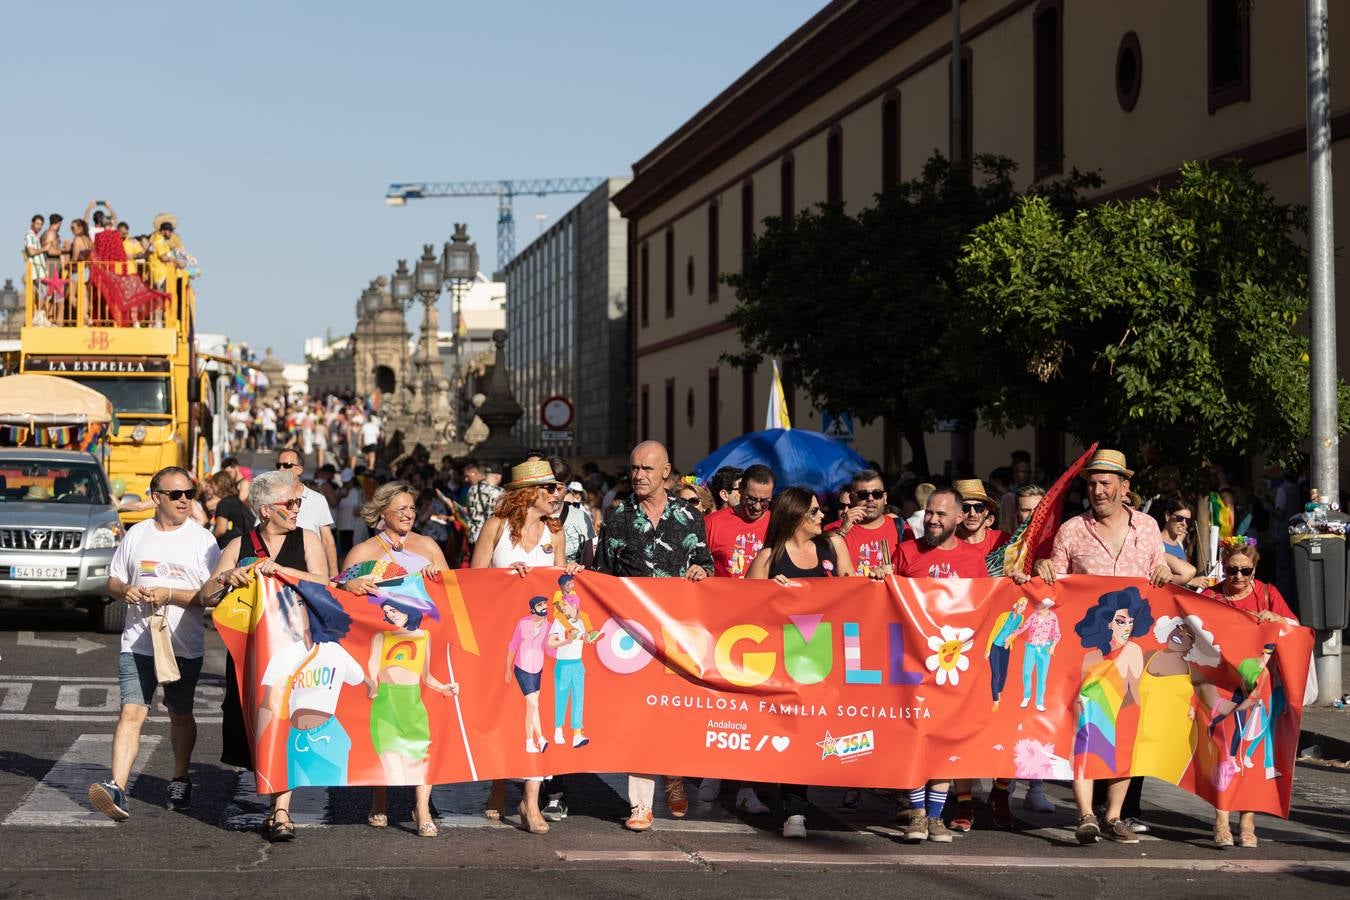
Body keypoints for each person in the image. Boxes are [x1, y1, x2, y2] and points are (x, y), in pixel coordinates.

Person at [1034, 449, 1171, 839]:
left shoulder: (1147, 527)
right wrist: (1045, 570)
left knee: (1127, 726)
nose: (1097, 490)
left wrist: (1162, 572)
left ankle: (1113, 816)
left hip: (1134, 646)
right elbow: (1054, 585)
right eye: (1092, 483)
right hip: (1086, 648)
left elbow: (1157, 574)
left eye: (1105, 483)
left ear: (1124, 488)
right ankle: (1084, 815)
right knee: (1084, 727)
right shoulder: (1072, 530)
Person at [87, 467, 221, 822]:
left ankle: (179, 777)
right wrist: (125, 590)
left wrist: (171, 594)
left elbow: (212, 598)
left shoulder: (203, 541)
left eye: (189, 493)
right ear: (155, 497)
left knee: (179, 715)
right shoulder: (137, 534)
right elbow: (113, 580)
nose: (184, 500)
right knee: (131, 712)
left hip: (181, 645)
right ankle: (117, 787)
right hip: (138, 642)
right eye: (176, 494)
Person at [202, 469, 330, 842]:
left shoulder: (306, 539)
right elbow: (204, 595)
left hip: (296, 651)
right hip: (251, 652)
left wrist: (279, 570)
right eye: (289, 503)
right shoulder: (239, 545)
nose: (296, 509)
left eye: (298, 502)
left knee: (287, 723)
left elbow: (324, 583)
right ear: (265, 510)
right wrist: (228, 579)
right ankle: (272, 795)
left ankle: (281, 812)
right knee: (258, 725)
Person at [594, 440, 712, 832]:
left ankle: (674, 773)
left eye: (647, 469)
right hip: (632, 637)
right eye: (634, 469)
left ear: (667, 472)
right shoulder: (617, 518)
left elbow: (705, 562)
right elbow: (603, 577)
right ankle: (640, 805)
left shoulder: (689, 517)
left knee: (673, 712)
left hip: (677, 632)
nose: (639, 475)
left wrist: (700, 572)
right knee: (638, 719)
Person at [342, 480, 456, 838]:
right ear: (382, 514)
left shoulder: (428, 545)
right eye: (401, 509)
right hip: (381, 648)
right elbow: (338, 592)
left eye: (411, 508)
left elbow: (453, 593)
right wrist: (350, 586)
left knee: (425, 732)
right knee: (384, 732)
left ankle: (421, 806)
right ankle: (380, 796)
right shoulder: (362, 552)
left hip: (424, 645)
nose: (408, 514)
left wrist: (437, 579)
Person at [470, 459, 575, 835]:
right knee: (504, 712)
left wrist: (571, 575)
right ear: (529, 493)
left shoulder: (555, 533)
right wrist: (504, 578)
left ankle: (530, 800)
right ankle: (499, 781)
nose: (555, 494)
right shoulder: (496, 527)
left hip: (542, 641)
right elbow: (473, 581)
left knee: (538, 715)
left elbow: (563, 589)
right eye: (549, 488)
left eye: (557, 488)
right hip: (503, 637)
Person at [746, 486, 857, 839]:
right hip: (783, 660)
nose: (821, 516)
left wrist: (872, 579)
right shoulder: (768, 557)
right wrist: (768, 595)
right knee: (789, 732)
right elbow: (740, 610)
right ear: (795, 517)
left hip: (827, 657)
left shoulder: (833, 546)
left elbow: (856, 592)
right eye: (814, 511)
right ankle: (793, 810)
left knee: (818, 733)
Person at [893, 486, 987, 844]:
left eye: (941, 514)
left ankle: (936, 817)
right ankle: (917, 814)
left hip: (953, 665)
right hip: (910, 663)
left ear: (960, 518)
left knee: (944, 742)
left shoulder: (973, 559)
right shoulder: (905, 552)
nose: (932, 519)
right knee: (915, 738)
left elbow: (983, 608)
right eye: (929, 512)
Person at [1201, 536, 1299, 848]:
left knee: (1253, 754)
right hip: (1222, 688)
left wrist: (1278, 618)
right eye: (1232, 570)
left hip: (1261, 690)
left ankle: (1248, 823)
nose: (1239, 577)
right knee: (1224, 753)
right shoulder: (1210, 596)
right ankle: (1221, 820)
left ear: (1255, 569)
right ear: (1223, 567)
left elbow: (1296, 629)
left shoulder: (1268, 594)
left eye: (1246, 571)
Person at [831, 468, 912, 577]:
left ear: (885, 498)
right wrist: (843, 531)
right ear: (851, 499)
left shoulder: (902, 529)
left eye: (877, 494)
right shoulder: (834, 530)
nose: (870, 499)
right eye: (863, 495)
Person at [276, 447, 338, 577]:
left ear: (299, 469)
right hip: (278, 573)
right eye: (278, 465)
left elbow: (327, 540)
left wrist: (334, 576)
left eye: (286, 465)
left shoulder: (317, 499)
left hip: (312, 573)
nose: (281, 469)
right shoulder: (271, 500)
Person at [705, 464, 774, 578]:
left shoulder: (776, 522)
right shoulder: (711, 523)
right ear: (740, 490)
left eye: (764, 501)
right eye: (751, 499)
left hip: (764, 594)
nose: (757, 506)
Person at [953, 478, 1008, 557]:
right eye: (965, 507)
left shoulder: (1003, 540)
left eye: (978, 507)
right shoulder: (948, 546)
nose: (972, 514)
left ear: (987, 510)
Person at [1159, 498, 1200, 586]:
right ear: (1167, 516)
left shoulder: (1179, 544)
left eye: (1188, 520)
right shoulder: (1156, 542)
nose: (1184, 523)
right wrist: (1192, 581)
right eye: (1179, 518)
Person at [210, 470, 254, 548]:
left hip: (227, 546)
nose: (212, 488)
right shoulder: (237, 500)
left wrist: (209, 539)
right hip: (242, 543)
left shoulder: (224, 503)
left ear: (218, 485)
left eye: (212, 485)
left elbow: (221, 529)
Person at [465, 462, 505, 547]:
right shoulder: (500, 492)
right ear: (497, 477)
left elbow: (468, 511)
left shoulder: (472, 489)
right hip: (489, 538)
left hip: (473, 537)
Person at [148, 214, 184, 291]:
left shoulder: (162, 241)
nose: (171, 233)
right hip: (160, 274)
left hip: (164, 274)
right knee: (162, 300)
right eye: (170, 231)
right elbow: (163, 257)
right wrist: (176, 261)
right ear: (163, 231)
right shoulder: (159, 241)